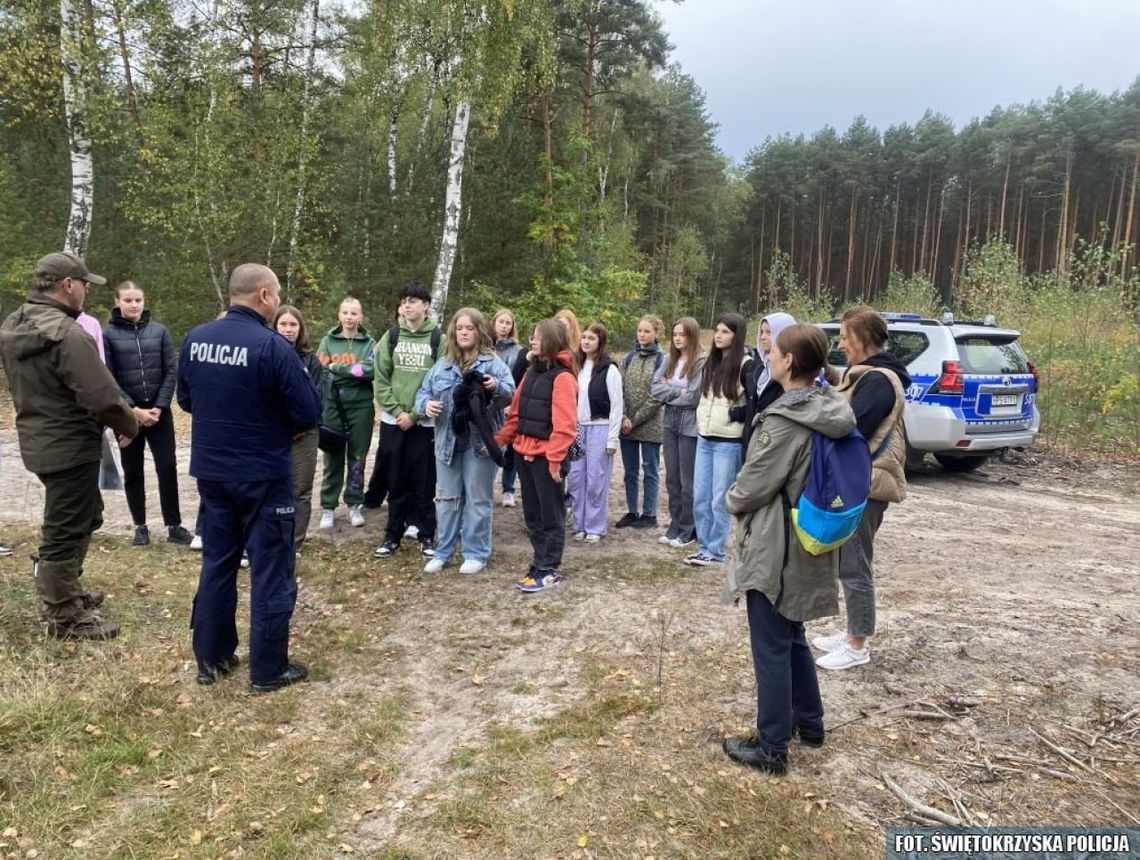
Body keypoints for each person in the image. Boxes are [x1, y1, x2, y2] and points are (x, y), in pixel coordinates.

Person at [177, 263, 320, 692]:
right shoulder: (272, 347)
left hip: (214, 472)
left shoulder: (195, 339)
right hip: (263, 475)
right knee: (271, 570)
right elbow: (309, 411)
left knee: (217, 564)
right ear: (263, 296)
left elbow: (186, 399)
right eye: (276, 294)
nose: (277, 301)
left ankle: (212, 659)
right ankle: (268, 669)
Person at [721, 324, 855, 775]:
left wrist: (730, 501)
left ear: (789, 362)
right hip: (809, 535)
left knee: (771, 645)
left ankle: (772, 746)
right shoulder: (828, 406)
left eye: (773, 350)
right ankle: (810, 725)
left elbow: (753, 485)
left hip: (777, 545)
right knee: (792, 634)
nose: (767, 354)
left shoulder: (783, 420)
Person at [0, 251, 139, 640]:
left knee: (85, 512)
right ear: (67, 285)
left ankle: (67, 593)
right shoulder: (68, 333)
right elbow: (101, 395)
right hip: (70, 444)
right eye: (83, 285)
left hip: (40, 439)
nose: (85, 293)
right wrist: (128, 424)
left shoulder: (16, 322)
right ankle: (64, 616)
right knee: (65, 528)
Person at [812, 305, 909, 671]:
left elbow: (851, 428)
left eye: (844, 335)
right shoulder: (867, 375)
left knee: (855, 563)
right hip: (857, 482)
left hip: (866, 485)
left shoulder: (879, 381)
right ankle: (854, 628)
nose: (840, 341)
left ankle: (857, 643)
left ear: (863, 339)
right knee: (846, 559)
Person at [415, 309, 514, 574]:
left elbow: (511, 395)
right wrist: (426, 405)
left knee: (477, 499)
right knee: (447, 498)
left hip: (479, 442)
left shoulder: (493, 364)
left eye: (469, 328)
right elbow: (422, 393)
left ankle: (475, 552)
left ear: (479, 331)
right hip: (447, 441)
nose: (464, 333)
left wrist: (496, 387)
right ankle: (443, 551)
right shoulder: (442, 365)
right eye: (459, 328)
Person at [102, 281, 192, 547]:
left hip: (158, 410)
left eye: (138, 300)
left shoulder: (159, 331)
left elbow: (170, 371)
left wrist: (159, 406)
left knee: (167, 466)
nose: (134, 305)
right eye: (128, 300)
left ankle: (174, 525)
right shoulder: (108, 335)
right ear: (118, 302)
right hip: (128, 414)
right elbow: (109, 376)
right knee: (133, 469)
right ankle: (140, 526)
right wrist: (133, 410)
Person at [494, 319, 578, 593]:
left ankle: (550, 567)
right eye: (532, 336)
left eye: (538, 337)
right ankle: (539, 561)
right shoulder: (531, 372)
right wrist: (499, 441)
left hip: (547, 459)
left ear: (552, 340)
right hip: (523, 454)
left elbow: (565, 426)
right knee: (532, 514)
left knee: (551, 515)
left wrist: (555, 459)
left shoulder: (563, 378)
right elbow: (516, 414)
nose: (533, 340)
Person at [373, 282, 442, 559]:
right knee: (396, 479)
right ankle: (392, 535)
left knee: (424, 480)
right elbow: (381, 378)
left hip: (424, 423)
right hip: (393, 421)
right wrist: (398, 412)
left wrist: (414, 414)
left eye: (412, 301)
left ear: (425, 305)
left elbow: (441, 380)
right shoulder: (390, 336)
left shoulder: (439, 338)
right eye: (403, 301)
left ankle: (426, 534)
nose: (406, 306)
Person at [686, 313, 751, 567]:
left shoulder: (746, 365)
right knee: (700, 496)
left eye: (725, 331)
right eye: (717, 331)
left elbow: (756, 404)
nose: (718, 335)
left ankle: (716, 550)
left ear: (736, 336)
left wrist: (736, 414)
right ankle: (704, 546)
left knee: (718, 499)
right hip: (705, 438)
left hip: (728, 441)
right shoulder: (710, 363)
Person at [316, 297, 376, 529]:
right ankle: (328, 507)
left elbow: (370, 370)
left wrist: (338, 368)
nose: (349, 317)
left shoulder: (369, 342)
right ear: (339, 315)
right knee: (333, 456)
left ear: (360, 317)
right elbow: (321, 369)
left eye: (354, 313)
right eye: (345, 313)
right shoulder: (328, 341)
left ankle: (354, 503)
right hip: (333, 405)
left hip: (361, 406)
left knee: (358, 456)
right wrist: (354, 371)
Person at [650, 317, 705, 549]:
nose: (678, 338)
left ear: (692, 335)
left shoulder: (701, 361)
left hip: (688, 423)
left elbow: (693, 396)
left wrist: (668, 389)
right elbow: (654, 388)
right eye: (675, 334)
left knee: (687, 480)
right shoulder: (669, 359)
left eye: (683, 334)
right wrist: (677, 390)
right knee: (672, 478)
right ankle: (674, 525)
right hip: (669, 419)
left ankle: (688, 529)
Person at [275, 305, 326, 554]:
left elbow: (318, 400)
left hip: (305, 434)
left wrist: (299, 426)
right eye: (283, 324)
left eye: (293, 325)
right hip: (274, 433)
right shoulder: (266, 354)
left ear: (300, 328)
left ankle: (294, 543)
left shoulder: (311, 360)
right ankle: (269, 539)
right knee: (271, 487)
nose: (288, 329)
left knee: (300, 489)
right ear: (274, 326)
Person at [569, 323, 622, 543]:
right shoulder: (575, 368)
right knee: (575, 477)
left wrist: (612, 438)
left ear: (600, 342)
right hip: (577, 428)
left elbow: (617, 405)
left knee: (595, 478)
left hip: (600, 426)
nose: (586, 341)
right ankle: (579, 524)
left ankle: (594, 526)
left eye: (592, 338)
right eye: (584, 337)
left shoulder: (609, 370)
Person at [616, 314, 665, 530]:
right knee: (630, 471)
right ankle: (632, 510)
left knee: (650, 468)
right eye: (640, 331)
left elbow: (657, 395)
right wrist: (625, 417)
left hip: (651, 424)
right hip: (627, 424)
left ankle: (649, 514)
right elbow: (620, 388)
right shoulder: (628, 358)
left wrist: (635, 420)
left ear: (656, 334)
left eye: (647, 331)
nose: (642, 335)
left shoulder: (663, 360)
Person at [733, 312, 796, 453]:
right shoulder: (758, 367)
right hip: (751, 441)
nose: (763, 337)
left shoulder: (791, 373)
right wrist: (737, 414)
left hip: (774, 445)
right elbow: (753, 403)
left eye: (769, 332)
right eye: (761, 332)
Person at [363, 302, 402, 509]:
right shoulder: (389, 339)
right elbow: (376, 373)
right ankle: (373, 497)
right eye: (400, 313)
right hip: (388, 410)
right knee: (385, 456)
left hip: (412, 412)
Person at [492, 308, 521, 507]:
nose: (504, 326)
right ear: (494, 323)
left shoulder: (519, 351)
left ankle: (508, 489)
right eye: (501, 322)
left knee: (511, 448)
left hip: (511, 404)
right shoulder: (485, 347)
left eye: (508, 322)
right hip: (490, 405)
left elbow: (520, 380)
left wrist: (513, 404)